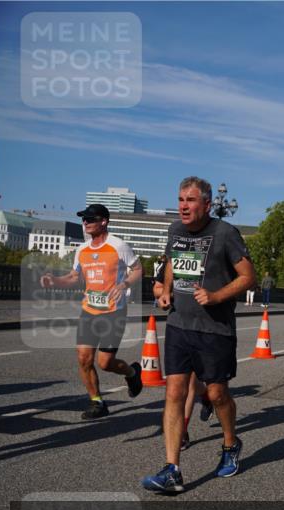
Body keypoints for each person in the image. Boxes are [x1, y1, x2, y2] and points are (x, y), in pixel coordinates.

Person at [142, 176, 255, 493]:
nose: (183, 206)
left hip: (214, 329)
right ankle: (172, 469)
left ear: (207, 204)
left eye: (190, 200)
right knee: (174, 393)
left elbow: (248, 277)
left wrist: (217, 296)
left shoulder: (225, 233)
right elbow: (171, 265)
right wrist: (165, 291)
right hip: (179, 324)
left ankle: (231, 444)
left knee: (217, 395)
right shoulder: (175, 230)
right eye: (180, 199)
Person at [39, 204, 144, 419]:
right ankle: (97, 402)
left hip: (114, 312)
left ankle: (133, 373)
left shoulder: (118, 246)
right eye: (83, 219)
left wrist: (124, 284)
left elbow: (138, 269)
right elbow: (74, 277)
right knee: (84, 359)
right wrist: (54, 281)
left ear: (103, 221)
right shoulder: (82, 249)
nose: (85, 222)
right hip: (89, 310)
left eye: (90, 219)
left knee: (105, 363)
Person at [152, 279, 215, 449]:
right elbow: (157, 289)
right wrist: (169, 294)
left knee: (190, 384)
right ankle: (205, 398)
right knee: (183, 386)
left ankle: (183, 429)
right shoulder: (174, 256)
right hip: (179, 326)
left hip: (207, 327)